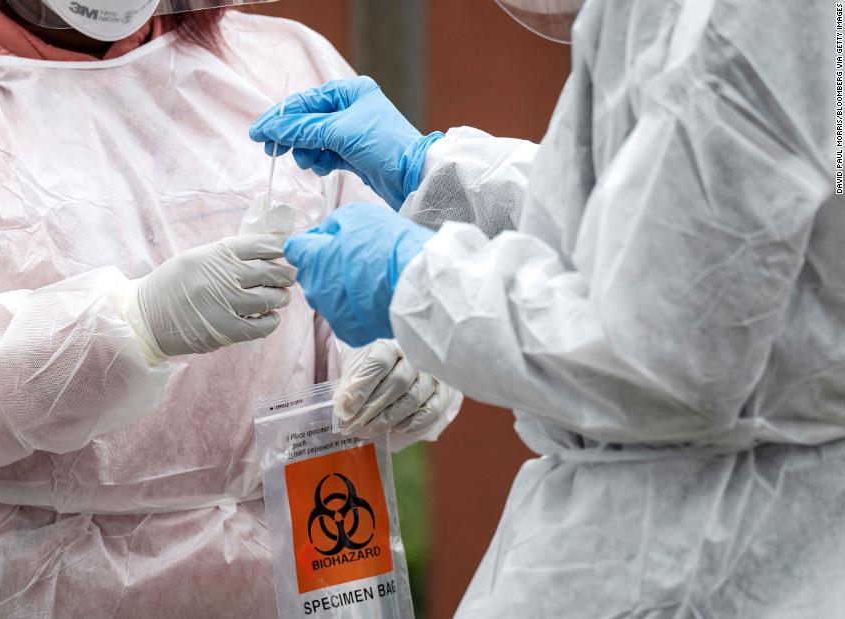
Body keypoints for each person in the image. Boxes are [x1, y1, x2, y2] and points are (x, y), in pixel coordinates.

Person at [0, 0, 458, 616]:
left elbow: (376, 254)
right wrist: (131, 326)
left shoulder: (280, 63)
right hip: (16, 585)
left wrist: (398, 352)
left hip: (302, 563)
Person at [251, 0, 844, 616]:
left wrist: (420, 282)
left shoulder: (746, 19)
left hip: (711, 555)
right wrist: (435, 171)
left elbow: (667, 350)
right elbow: (675, 222)